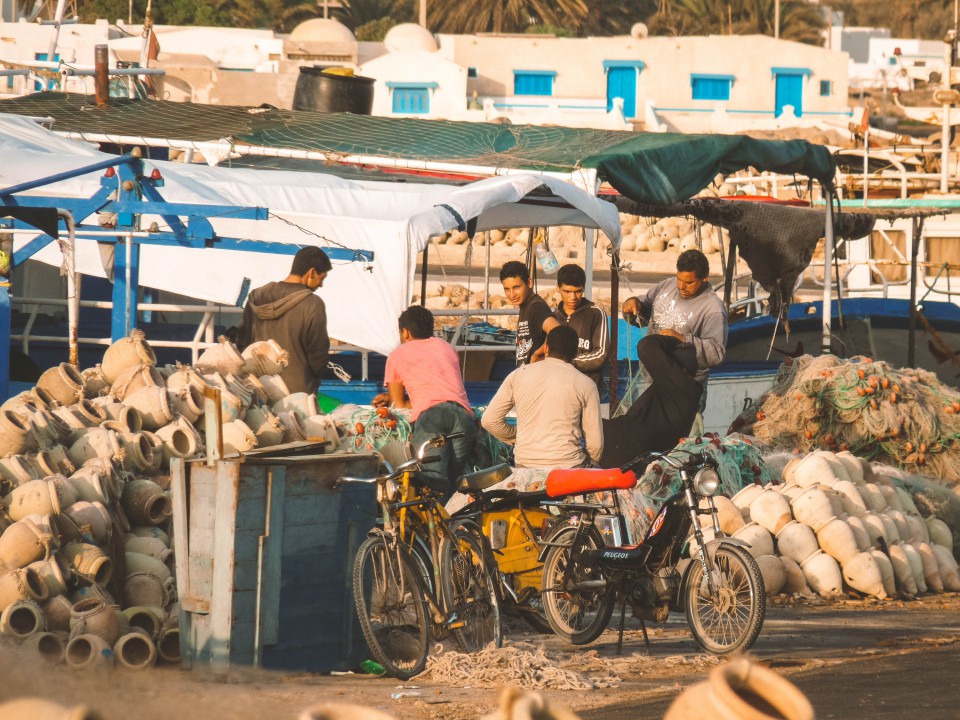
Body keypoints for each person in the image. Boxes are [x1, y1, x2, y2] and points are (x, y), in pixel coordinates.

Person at [372, 305, 477, 494]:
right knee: (452, 488)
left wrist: (391, 398)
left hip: (432, 418)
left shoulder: (397, 355)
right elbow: (441, 389)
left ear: (405, 332)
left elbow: (401, 406)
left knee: (432, 482)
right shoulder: (447, 347)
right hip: (463, 416)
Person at [481, 325, 603, 469]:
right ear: (576, 353)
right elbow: (595, 445)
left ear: (546, 348)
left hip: (525, 464)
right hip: (569, 467)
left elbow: (489, 420)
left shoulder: (518, 375)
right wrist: (591, 463)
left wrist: (519, 438)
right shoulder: (586, 384)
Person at [621, 248, 727, 408]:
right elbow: (644, 309)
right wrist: (633, 304)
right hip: (648, 378)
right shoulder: (667, 285)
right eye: (679, 279)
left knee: (683, 434)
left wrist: (682, 339)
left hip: (684, 388)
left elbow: (717, 353)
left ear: (704, 278)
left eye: (689, 282)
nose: (681, 286)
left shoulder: (713, 309)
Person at [237, 246, 331, 395]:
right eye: (322, 278)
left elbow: (243, 342)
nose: (321, 285)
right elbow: (318, 356)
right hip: (297, 393)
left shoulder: (257, 296)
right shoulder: (313, 304)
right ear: (312, 272)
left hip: (259, 389)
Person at [551, 263, 609, 388]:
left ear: (583, 288)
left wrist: (570, 362)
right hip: (555, 386)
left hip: (586, 386)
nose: (573, 297)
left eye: (578, 291)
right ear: (558, 288)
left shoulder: (596, 314)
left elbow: (601, 354)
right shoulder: (551, 317)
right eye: (567, 291)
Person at [499, 260, 560, 366]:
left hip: (536, 376)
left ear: (529, 283)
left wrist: (538, 354)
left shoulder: (536, 307)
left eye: (516, 287)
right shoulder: (526, 306)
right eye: (507, 289)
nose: (512, 294)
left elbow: (558, 331)